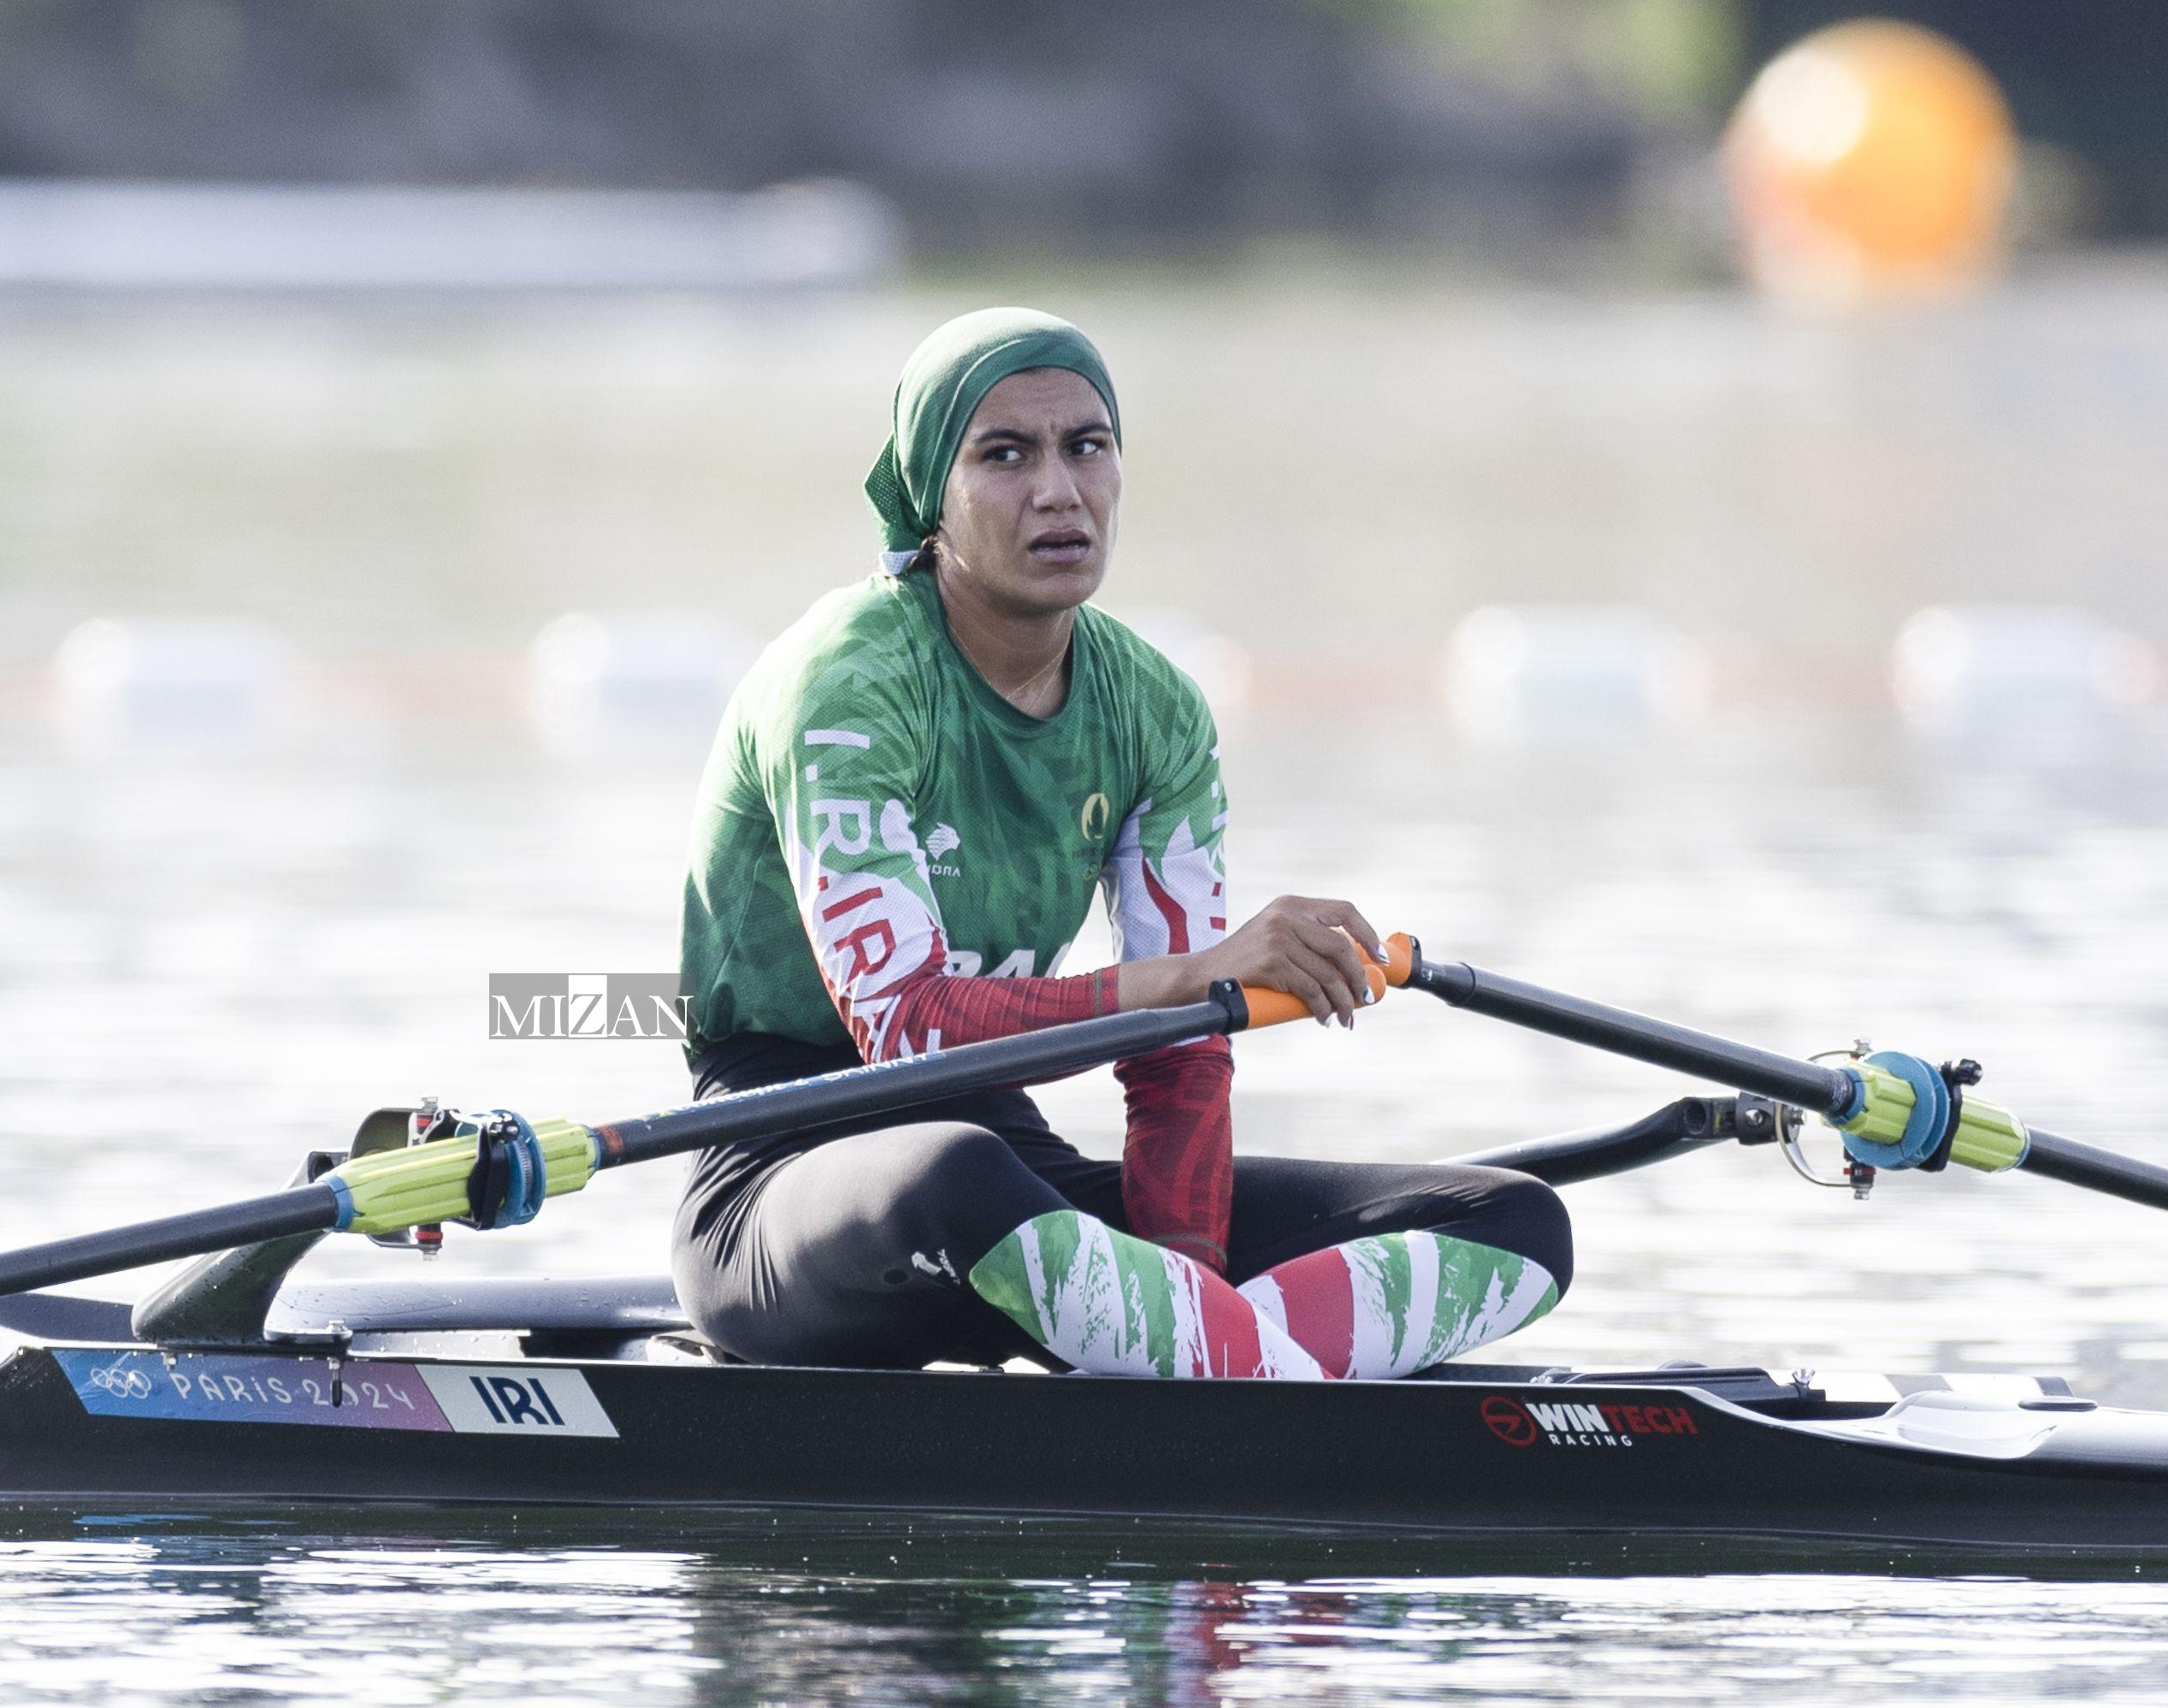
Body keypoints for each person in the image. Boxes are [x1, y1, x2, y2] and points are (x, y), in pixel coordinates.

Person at [672, 306, 1572, 1379]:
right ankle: (1237, 1371)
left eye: (1086, 446)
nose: (1059, 490)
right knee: (958, 1173)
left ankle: (1191, 1359)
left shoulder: (1155, 708)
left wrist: (1186, 1271)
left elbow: (1182, 1053)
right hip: (793, 1163)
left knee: (1512, 1221)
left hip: (1004, 1160)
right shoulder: (847, 681)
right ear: (931, 495)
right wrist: (1198, 975)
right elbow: (908, 1027)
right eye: (1005, 454)